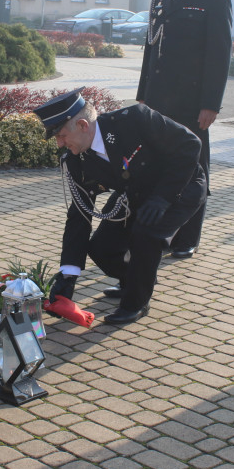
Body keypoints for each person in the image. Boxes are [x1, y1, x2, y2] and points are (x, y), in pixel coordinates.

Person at [35, 88, 206, 325]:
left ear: (83, 125)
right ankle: (134, 279)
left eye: (61, 136)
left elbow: (191, 145)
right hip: (135, 193)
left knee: (146, 235)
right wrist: (68, 275)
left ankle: (136, 302)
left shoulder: (136, 119)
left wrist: (163, 197)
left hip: (180, 186)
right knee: (101, 248)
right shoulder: (76, 160)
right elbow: (79, 216)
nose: (60, 144)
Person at [135, 0, 232, 260]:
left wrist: (211, 104)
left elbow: (219, 55)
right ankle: (158, 231)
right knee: (158, 166)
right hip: (159, 100)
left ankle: (187, 237)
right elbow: (151, 48)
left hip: (192, 104)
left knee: (193, 171)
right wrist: (143, 94)